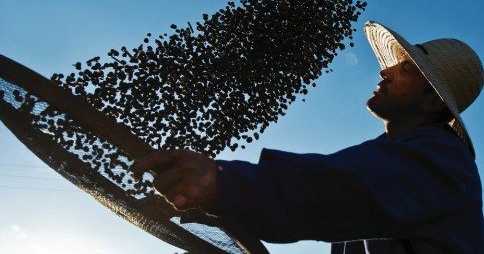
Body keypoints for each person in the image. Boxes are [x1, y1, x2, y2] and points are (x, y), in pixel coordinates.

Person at [132, 21, 484, 253]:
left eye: (406, 69)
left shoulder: (441, 160)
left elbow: (337, 190)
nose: (385, 70)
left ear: (429, 102)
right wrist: (221, 209)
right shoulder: (383, 156)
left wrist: (222, 184)